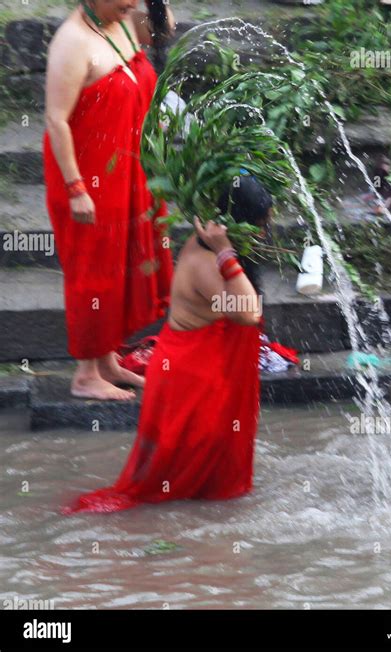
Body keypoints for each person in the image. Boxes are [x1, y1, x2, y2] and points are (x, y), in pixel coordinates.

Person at [63, 175, 272, 513]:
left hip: (197, 375)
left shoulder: (213, 251)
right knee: (176, 492)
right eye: (258, 225)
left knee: (201, 492)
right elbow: (248, 314)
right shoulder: (209, 260)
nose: (263, 234)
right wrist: (225, 252)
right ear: (235, 224)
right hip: (191, 384)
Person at [43, 0, 175, 401]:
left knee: (120, 267)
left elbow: (164, 28)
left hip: (128, 172)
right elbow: (55, 119)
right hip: (87, 177)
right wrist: (76, 188)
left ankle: (107, 362)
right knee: (95, 270)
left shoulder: (120, 19)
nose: (132, 4)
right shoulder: (71, 41)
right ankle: (85, 375)